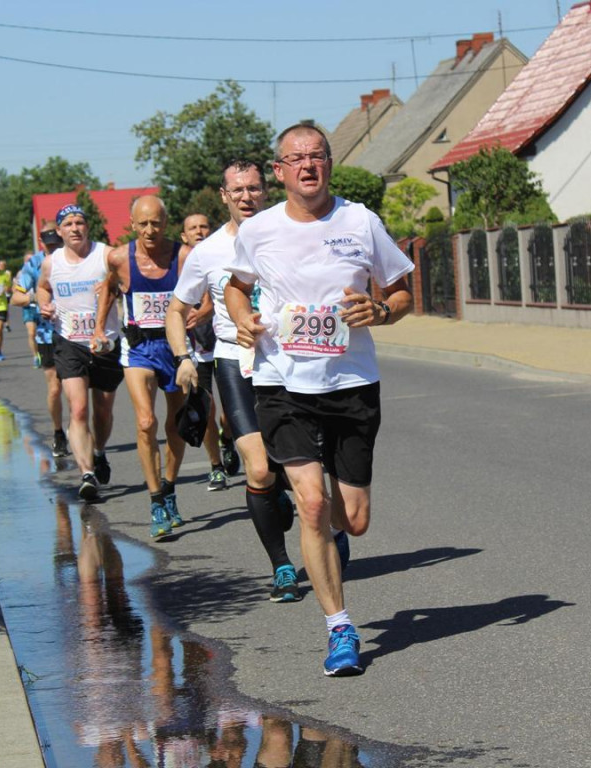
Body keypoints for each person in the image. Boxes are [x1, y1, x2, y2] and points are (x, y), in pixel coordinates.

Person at [225, 123, 414, 676]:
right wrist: (242, 319)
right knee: (310, 504)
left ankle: (326, 534)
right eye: (296, 158)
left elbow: (401, 289)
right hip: (282, 382)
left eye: (317, 156)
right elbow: (237, 285)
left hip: (351, 383)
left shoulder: (361, 222)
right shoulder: (258, 230)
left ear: (329, 164)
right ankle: (340, 629)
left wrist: (380, 311)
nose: (308, 165)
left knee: (352, 519)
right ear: (279, 170)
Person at [166, 160, 302, 602]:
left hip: (289, 361)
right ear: (223, 196)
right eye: (237, 190)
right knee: (258, 467)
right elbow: (175, 309)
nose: (246, 196)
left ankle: (286, 497)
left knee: (292, 465)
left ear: (267, 191)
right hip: (234, 360)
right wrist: (183, 357)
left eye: (254, 188)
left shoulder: (290, 231)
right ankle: (281, 566)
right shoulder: (206, 252)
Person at [97, 195, 191, 540]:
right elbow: (108, 290)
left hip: (176, 346)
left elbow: (205, 294)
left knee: (177, 424)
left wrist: (197, 315)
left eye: (156, 223)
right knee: (146, 421)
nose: (150, 230)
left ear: (166, 223)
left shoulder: (183, 255)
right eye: (143, 224)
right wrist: (98, 328)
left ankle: (169, 488)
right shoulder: (120, 257)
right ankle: (154, 501)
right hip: (139, 348)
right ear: (132, 223)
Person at [38, 205, 123, 501]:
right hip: (68, 340)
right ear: (59, 231)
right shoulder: (52, 262)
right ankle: (86, 473)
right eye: (68, 224)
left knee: (102, 409)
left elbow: (127, 279)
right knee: (78, 409)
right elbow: (42, 288)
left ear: (88, 228)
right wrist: (44, 304)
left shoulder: (107, 255)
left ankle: (99, 452)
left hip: (105, 342)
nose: (75, 228)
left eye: (80, 223)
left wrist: (115, 284)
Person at [179, 213, 227, 492]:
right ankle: (216, 466)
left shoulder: (222, 256)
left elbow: (210, 304)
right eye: (192, 228)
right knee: (206, 409)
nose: (199, 231)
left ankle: (229, 439)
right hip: (197, 350)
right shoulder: (180, 264)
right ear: (184, 236)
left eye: (204, 226)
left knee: (232, 412)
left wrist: (204, 312)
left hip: (224, 344)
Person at [13, 225, 70, 457]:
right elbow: (16, 297)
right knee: (55, 388)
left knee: (77, 389)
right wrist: (37, 295)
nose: (53, 249)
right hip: (47, 333)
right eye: (49, 245)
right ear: (41, 243)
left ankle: (80, 431)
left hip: (73, 332)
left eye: (56, 244)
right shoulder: (33, 265)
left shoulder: (73, 258)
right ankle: (58, 433)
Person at [16, 252, 41, 367]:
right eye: (27, 260)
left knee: (43, 334)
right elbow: (15, 292)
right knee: (31, 333)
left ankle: (44, 353)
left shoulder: (42, 269)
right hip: (28, 307)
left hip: (41, 306)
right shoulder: (20, 274)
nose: (30, 262)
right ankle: (35, 356)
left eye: (32, 259)